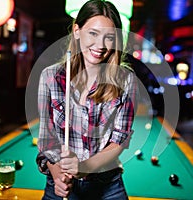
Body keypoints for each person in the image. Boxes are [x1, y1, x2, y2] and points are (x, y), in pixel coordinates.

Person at [36, 0, 138, 199]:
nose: (100, 45)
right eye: (93, 33)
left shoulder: (126, 80)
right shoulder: (50, 77)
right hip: (61, 183)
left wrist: (83, 167)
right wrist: (58, 176)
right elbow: (47, 140)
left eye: (109, 37)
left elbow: (119, 141)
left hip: (108, 186)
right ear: (77, 31)